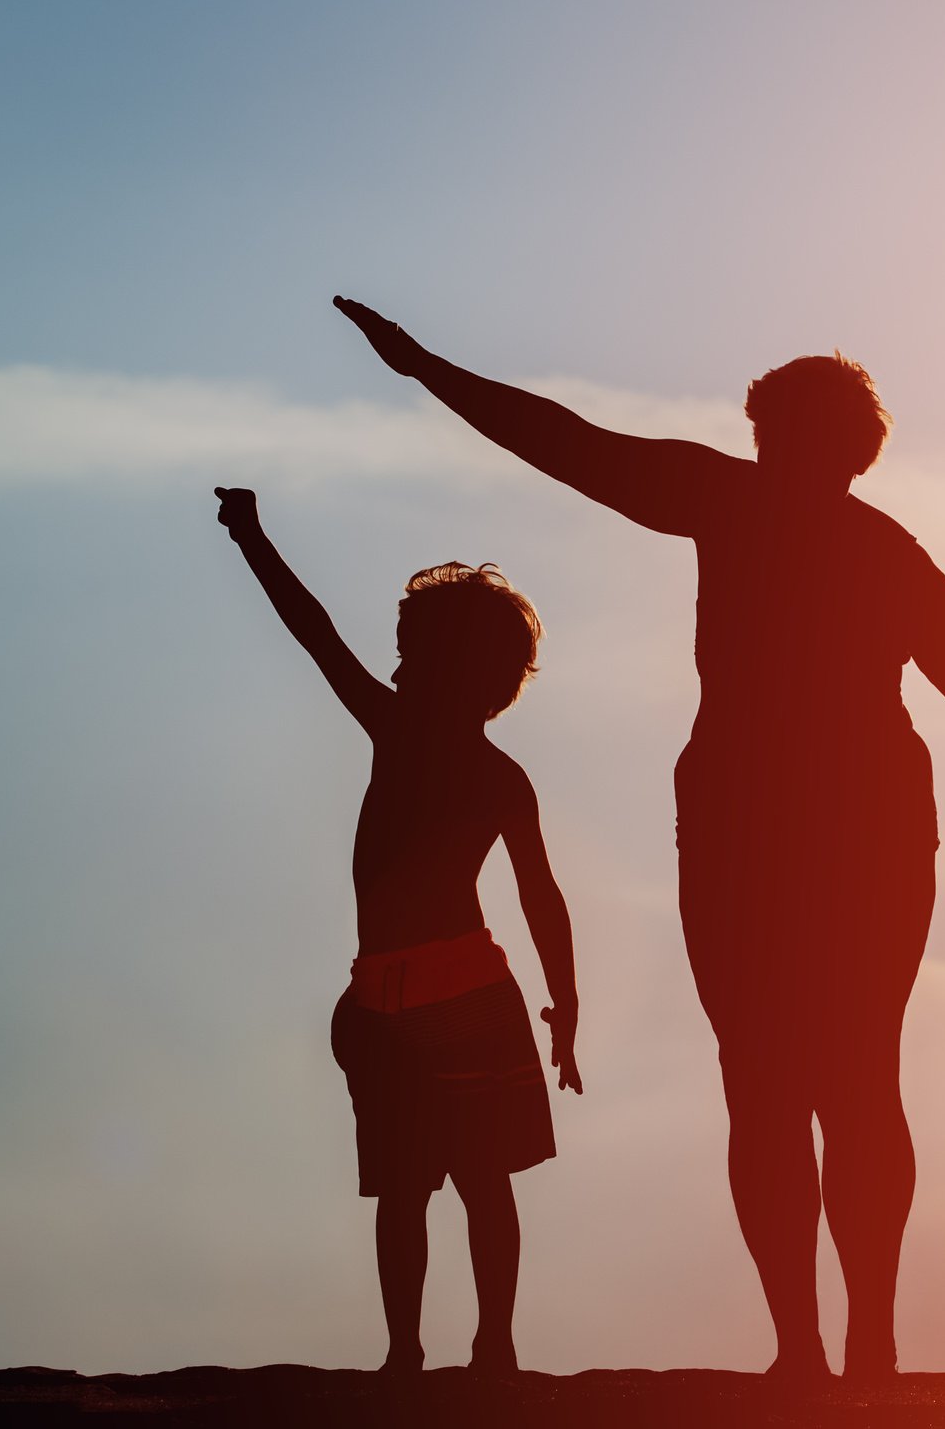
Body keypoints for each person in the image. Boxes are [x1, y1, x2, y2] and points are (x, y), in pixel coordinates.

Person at [333, 297, 945, 1381]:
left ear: (844, 451)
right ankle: (808, 1346)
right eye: (766, 432)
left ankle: (862, 1342)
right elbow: (567, 444)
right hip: (747, 824)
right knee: (770, 1080)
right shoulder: (737, 503)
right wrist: (429, 369)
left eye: (786, 433)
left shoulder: (847, 544)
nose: (770, 449)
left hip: (848, 830)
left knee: (838, 1079)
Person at [212, 486, 582, 1373]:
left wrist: (253, 537)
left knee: (414, 1187)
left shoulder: (407, 730)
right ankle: (474, 1349)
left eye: (412, 649)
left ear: (439, 664)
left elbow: (313, 632)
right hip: (426, 997)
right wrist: (563, 1006)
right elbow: (544, 901)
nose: (399, 662)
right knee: (464, 1184)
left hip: (420, 999)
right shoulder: (492, 770)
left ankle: (418, 1354)